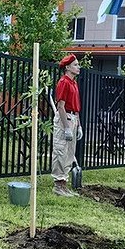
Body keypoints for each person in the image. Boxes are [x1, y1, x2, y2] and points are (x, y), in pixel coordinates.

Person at [51, 54, 82, 197]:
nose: (78, 67)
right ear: (68, 67)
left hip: (73, 117)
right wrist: (67, 127)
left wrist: (79, 125)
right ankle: (58, 185)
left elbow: (76, 107)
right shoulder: (63, 82)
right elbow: (61, 106)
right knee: (61, 150)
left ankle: (64, 184)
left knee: (69, 152)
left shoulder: (74, 83)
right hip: (65, 118)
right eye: (75, 65)